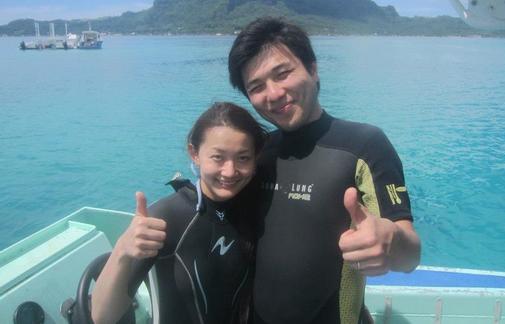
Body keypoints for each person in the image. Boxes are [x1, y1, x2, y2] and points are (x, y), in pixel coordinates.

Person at [228, 17, 421, 324]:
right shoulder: (259, 153)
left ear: (313, 69)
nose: (274, 93)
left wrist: (390, 241)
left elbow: (410, 256)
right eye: (257, 86)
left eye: (283, 73)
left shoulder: (365, 145)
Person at [91, 102, 267, 324]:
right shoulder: (166, 218)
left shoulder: (254, 206)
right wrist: (122, 251)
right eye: (218, 157)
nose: (230, 171)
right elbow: (103, 317)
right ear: (194, 153)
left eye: (243, 158)